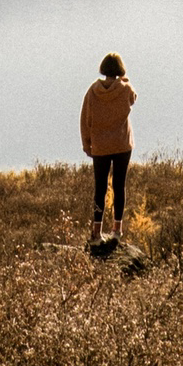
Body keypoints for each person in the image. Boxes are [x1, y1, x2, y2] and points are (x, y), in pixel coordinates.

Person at [81, 52, 136, 246]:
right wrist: (123, 80)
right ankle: (117, 229)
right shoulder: (125, 89)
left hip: (100, 147)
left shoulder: (93, 91)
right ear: (120, 70)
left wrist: (87, 144)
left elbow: (85, 120)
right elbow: (133, 98)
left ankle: (96, 233)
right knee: (119, 186)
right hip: (122, 144)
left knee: (100, 188)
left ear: (103, 69)